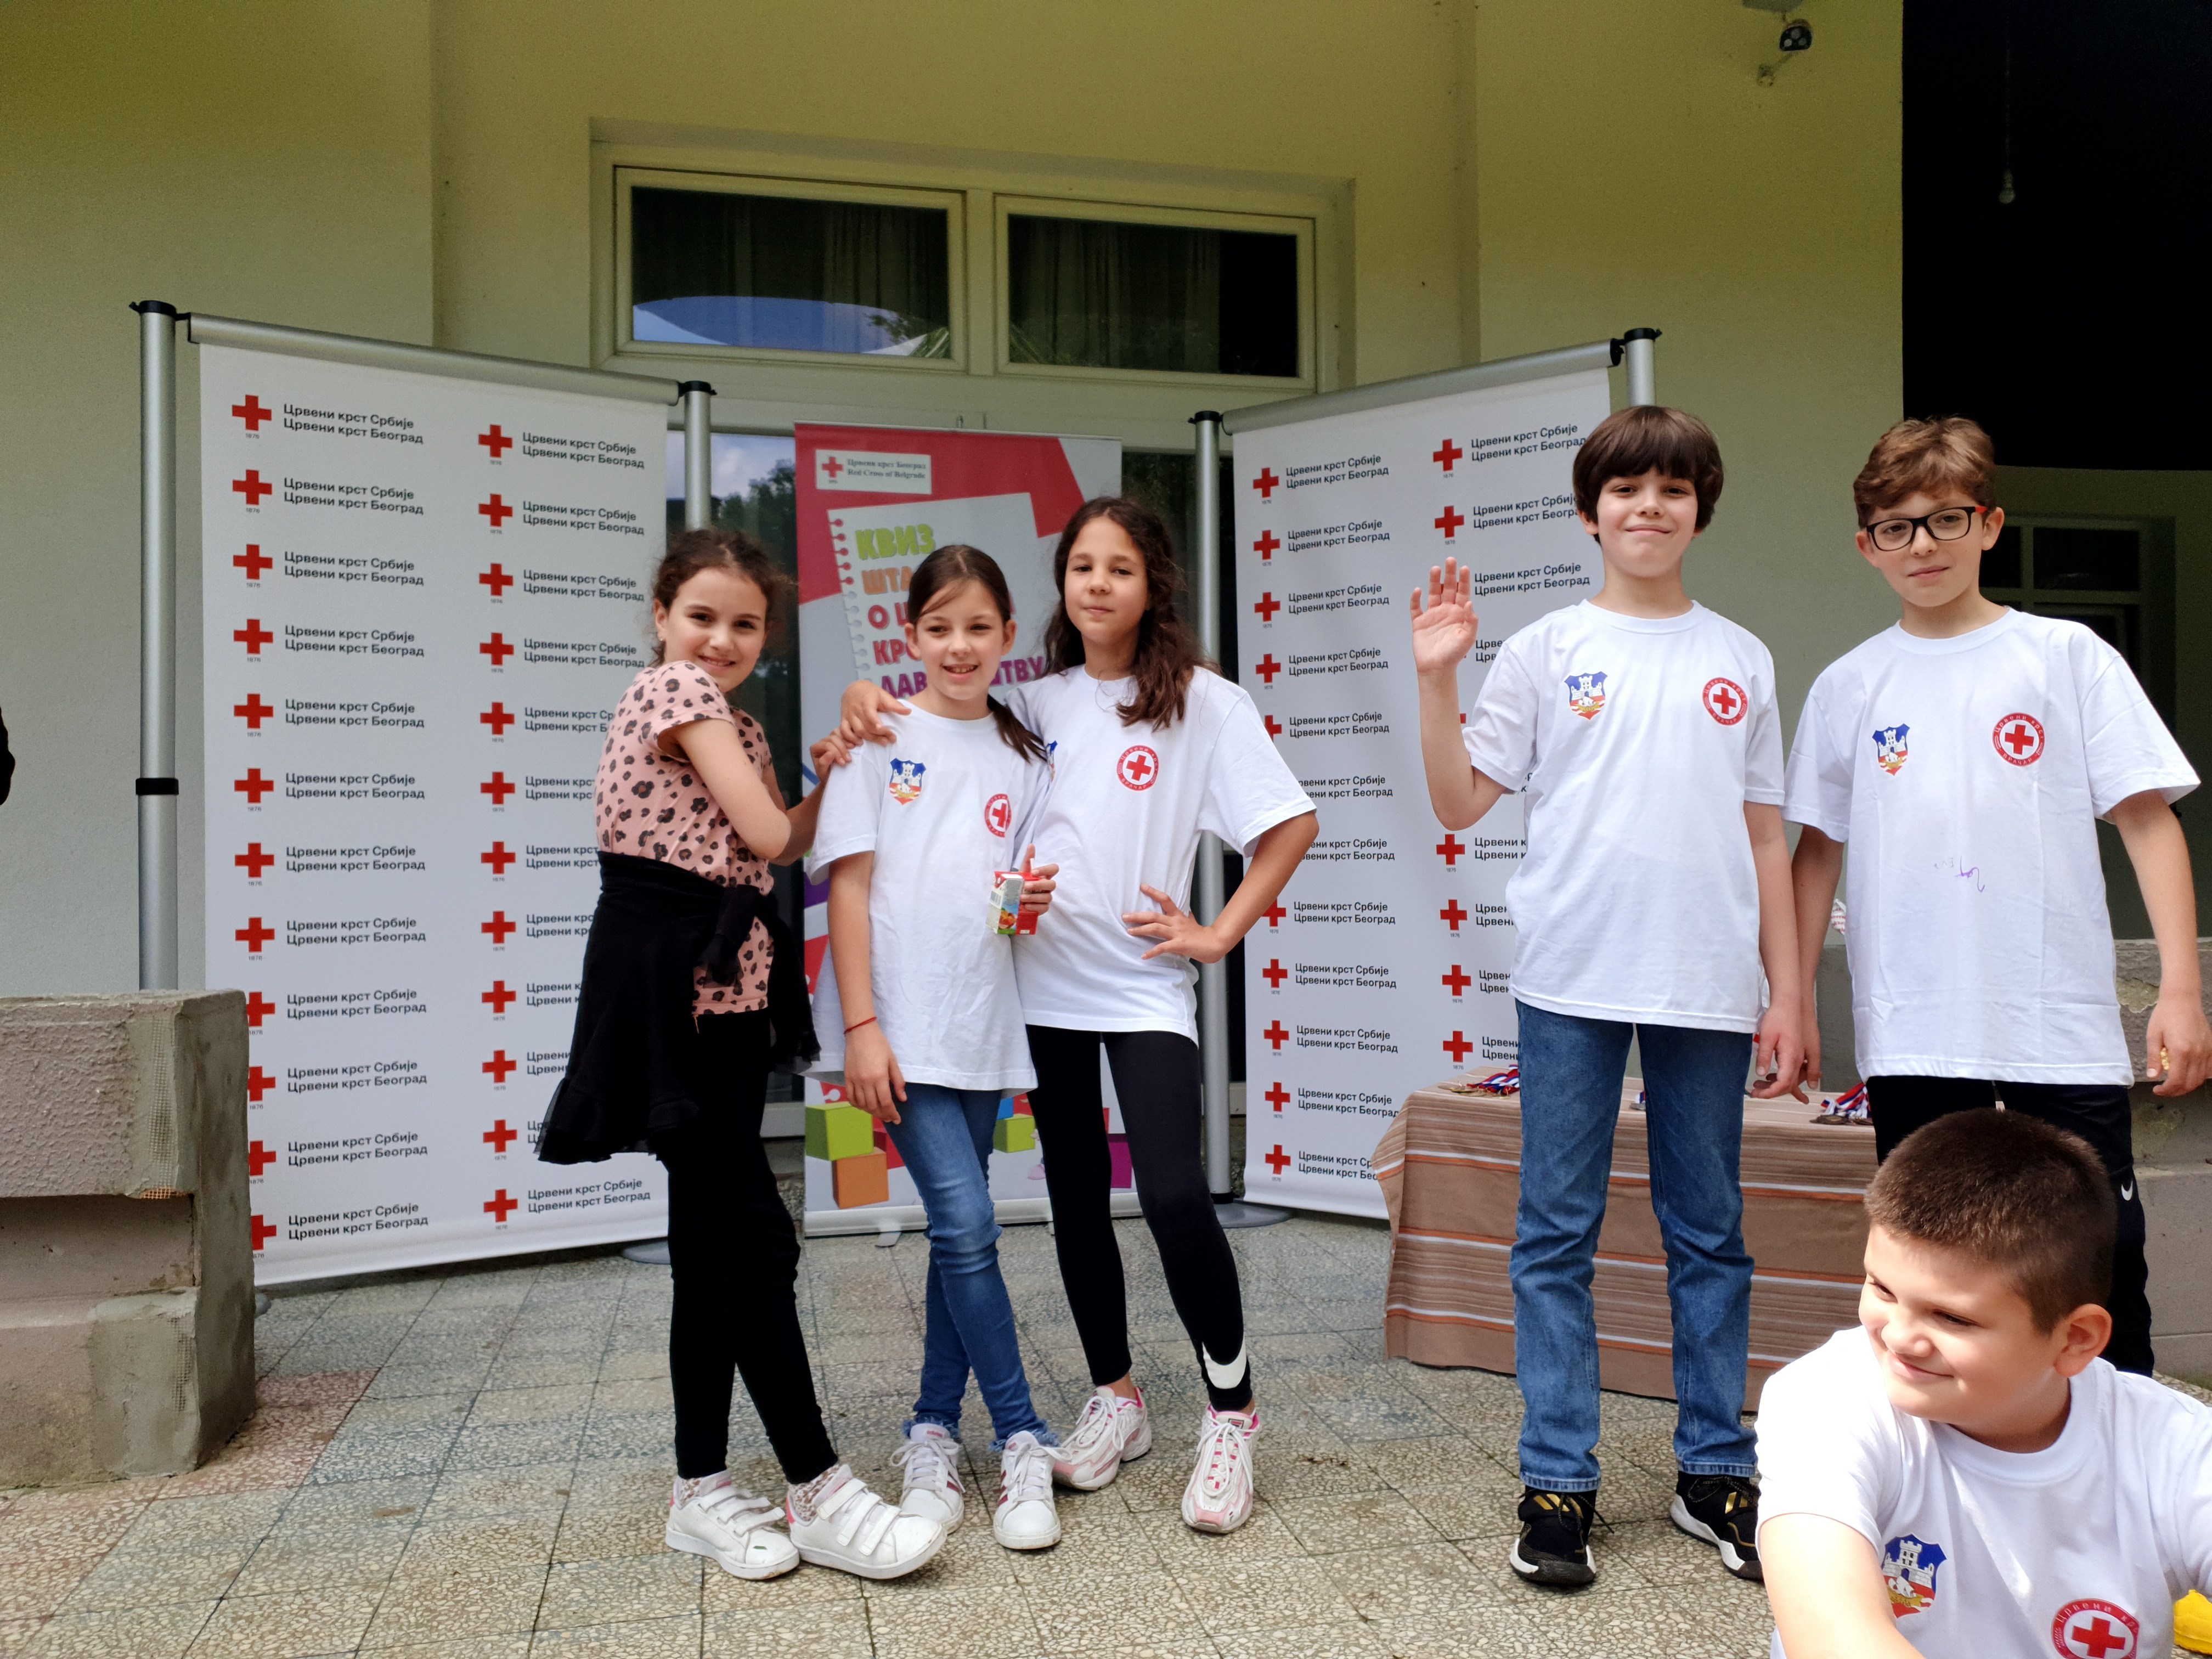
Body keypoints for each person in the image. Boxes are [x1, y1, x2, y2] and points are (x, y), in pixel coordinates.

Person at [840, 496, 1318, 1534]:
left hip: (1144, 986)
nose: (1099, 583)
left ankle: (1231, 1411)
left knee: (1175, 1192)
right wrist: (860, 697)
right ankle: (1116, 1396)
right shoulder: (1032, 703)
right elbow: (936, 732)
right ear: (1061, 585)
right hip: (1038, 990)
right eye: (1082, 566)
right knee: (1074, 1199)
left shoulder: (1205, 704)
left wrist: (1218, 932)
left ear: (1154, 586)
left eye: (1121, 567)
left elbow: (1289, 823)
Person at [1410, 404, 1803, 1587]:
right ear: (1590, 513)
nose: (1649, 507)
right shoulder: (1545, 648)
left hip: (1707, 981)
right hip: (1571, 978)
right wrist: (1438, 678)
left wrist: (1788, 990)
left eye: (1673, 489)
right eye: (1626, 489)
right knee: (1554, 1235)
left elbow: (1767, 836)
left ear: (1700, 511)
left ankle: (1714, 1469)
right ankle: (1558, 1481)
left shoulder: (1740, 657)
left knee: (1710, 1234)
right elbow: (1459, 802)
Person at [540, 527, 943, 1584]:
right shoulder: (675, 690)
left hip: (719, 995)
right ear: (662, 616)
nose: (721, 639)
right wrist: (813, 783)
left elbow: (785, 836)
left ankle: (700, 1488)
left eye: (746, 623)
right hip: (670, 988)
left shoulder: (739, 724)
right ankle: (818, 1483)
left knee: (709, 1244)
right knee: (747, 1237)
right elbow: (768, 838)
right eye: (702, 616)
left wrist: (830, 771)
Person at [1785, 416, 2207, 1375]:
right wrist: (1793, 996)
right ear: (1866, 545)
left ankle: (2115, 1447)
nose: (1922, 545)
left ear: (1989, 524)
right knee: (1934, 1262)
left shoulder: (2066, 657)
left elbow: (2148, 822)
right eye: (1896, 527)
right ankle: (1959, 1442)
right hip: (1915, 1026)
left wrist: (2181, 991)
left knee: (2099, 1252)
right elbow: (1816, 852)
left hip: (2054, 1020)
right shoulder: (1851, 684)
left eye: (1945, 519)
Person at [809, 545, 1065, 1551]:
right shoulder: (878, 736)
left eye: (978, 628)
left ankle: (928, 1431)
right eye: (939, 627)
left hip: (981, 1020)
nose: (959, 646)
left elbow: (1012, 891)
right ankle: (1021, 1436)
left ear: (1007, 636)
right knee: (966, 1221)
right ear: (910, 634)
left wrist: (1027, 901)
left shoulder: (1023, 751)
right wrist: (861, 1028)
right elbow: (849, 888)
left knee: (962, 1238)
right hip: (899, 1029)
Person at [1757, 1109, 2212, 1659]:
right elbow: (1829, 1629)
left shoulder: (2174, 1447)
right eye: (1882, 1288)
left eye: (1952, 1318)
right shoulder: (1823, 1400)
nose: (1899, 1338)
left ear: (2075, 1340)